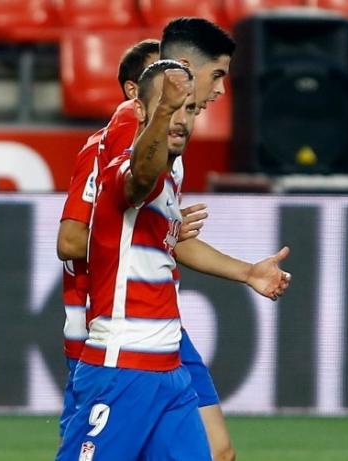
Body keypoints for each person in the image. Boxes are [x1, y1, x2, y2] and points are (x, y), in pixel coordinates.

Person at [56, 59, 210, 461]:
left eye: (189, 109)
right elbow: (140, 175)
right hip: (121, 367)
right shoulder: (125, 169)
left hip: (170, 373)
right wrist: (162, 115)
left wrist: (249, 272)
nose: (181, 119)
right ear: (140, 109)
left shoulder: (171, 181)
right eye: (168, 106)